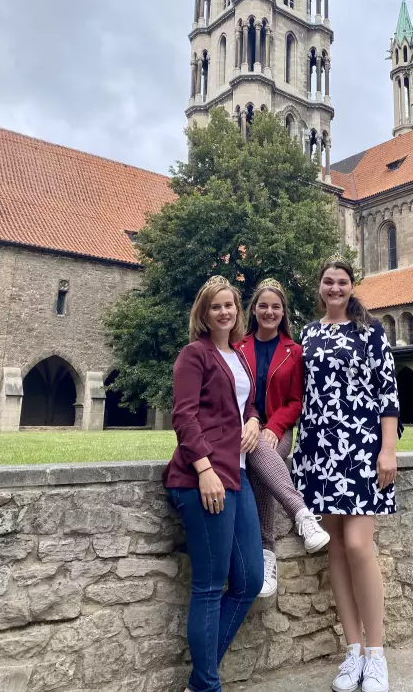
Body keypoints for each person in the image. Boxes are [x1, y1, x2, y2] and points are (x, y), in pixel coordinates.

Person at [291, 256, 400, 692]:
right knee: (335, 550)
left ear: (351, 287)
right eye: (328, 281)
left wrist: (387, 450)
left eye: (342, 282)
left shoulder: (371, 331)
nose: (335, 288)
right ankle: (352, 650)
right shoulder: (309, 333)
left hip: (361, 447)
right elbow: (303, 392)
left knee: (358, 545)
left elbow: (388, 393)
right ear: (319, 287)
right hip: (318, 449)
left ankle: (376, 653)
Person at [164, 275, 264, 692]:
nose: (225, 312)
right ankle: (206, 685)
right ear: (203, 314)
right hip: (202, 477)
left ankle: (199, 681)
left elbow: (247, 403)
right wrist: (204, 469)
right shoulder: (194, 354)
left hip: (237, 474)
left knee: (250, 580)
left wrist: (255, 419)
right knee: (209, 586)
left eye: (230, 305)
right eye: (216, 306)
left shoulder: (239, 356)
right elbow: (184, 416)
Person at [237, 278, 330, 598]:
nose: (269, 311)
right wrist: (250, 422)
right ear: (253, 310)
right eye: (263, 305)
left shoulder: (295, 352)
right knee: (262, 455)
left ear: (283, 312)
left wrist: (273, 428)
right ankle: (302, 515)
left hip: (278, 430)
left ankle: (267, 553)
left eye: (275, 306)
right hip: (241, 429)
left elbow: (295, 401)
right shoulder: (238, 348)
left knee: (265, 452)